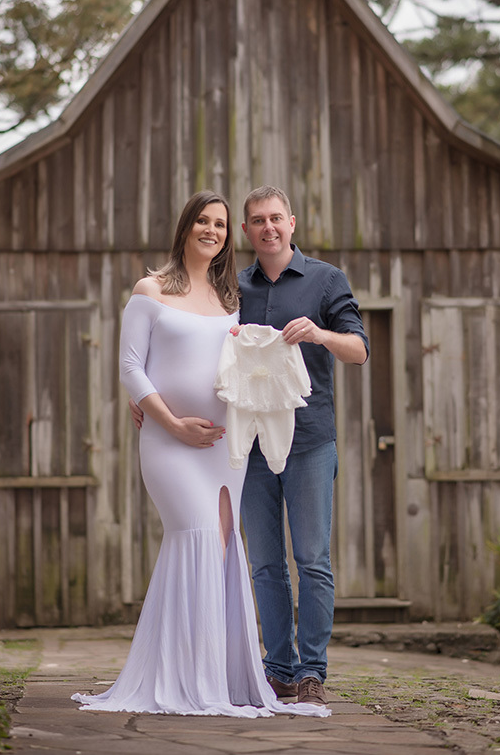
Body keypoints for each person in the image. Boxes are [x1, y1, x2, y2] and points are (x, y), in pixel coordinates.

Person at [72, 190, 329, 719]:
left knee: (222, 546)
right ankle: (181, 675)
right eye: (203, 222)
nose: (212, 230)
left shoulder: (228, 297)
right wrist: (166, 418)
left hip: (222, 448)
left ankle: (222, 675)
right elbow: (130, 367)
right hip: (169, 443)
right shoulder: (151, 289)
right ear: (186, 227)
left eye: (220, 224)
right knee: (192, 536)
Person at [129, 185, 369, 708]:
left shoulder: (327, 279)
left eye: (276, 218)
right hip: (242, 447)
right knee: (262, 563)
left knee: (312, 559)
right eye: (257, 220)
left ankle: (311, 672)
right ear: (246, 231)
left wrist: (321, 336)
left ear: (292, 223)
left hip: (307, 441)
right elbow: (190, 349)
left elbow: (360, 350)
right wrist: (151, 400)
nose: (268, 227)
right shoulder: (230, 290)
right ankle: (276, 669)